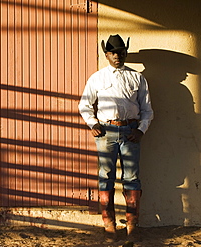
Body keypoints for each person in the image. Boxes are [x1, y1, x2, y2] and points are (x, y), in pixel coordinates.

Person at [78, 34, 153, 240]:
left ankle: (132, 224)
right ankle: (108, 223)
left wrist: (141, 130)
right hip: (106, 132)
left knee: (131, 177)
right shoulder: (97, 78)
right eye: (113, 53)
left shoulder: (137, 78)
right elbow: (84, 105)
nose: (117, 56)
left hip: (130, 132)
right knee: (106, 175)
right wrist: (93, 124)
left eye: (121, 52)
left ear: (125, 53)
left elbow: (147, 110)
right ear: (106, 55)